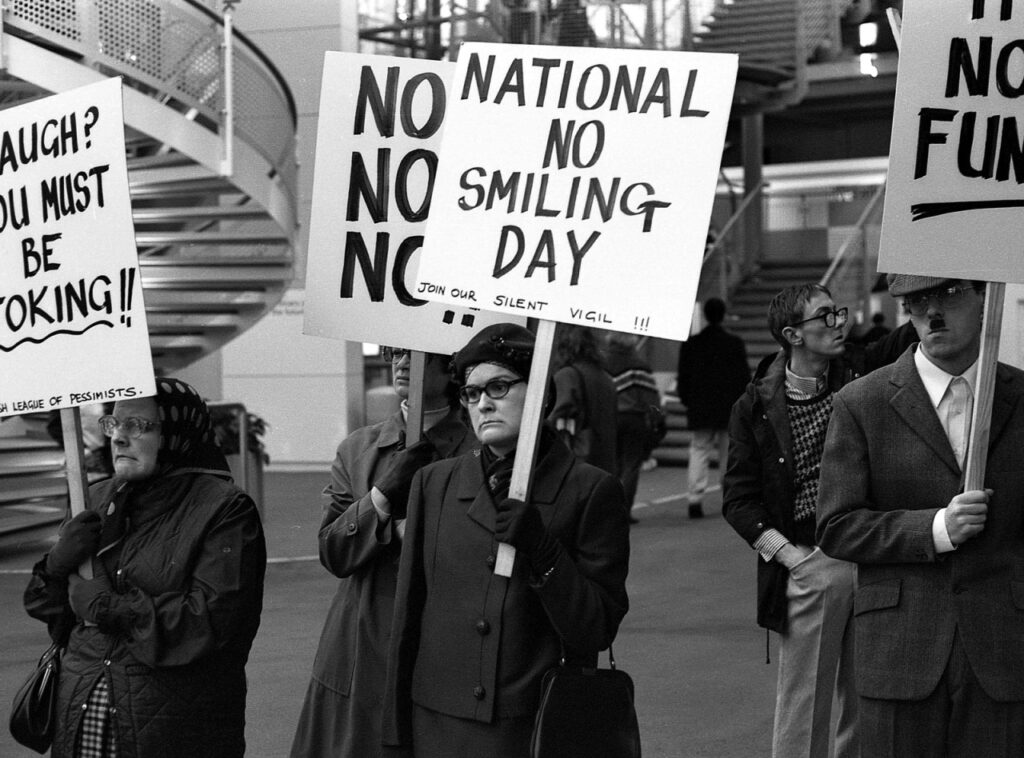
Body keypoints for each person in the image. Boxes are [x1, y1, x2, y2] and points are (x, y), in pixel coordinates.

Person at [383, 323, 630, 757]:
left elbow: (595, 628)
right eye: (472, 393)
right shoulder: (433, 483)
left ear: (539, 394)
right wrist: (395, 733)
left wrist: (543, 549)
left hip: (533, 726)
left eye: (498, 387)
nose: (483, 403)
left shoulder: (590, 489)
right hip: (438, 723)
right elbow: (408, 617)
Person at [817, 275, 1024, 757]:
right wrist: (935, 529)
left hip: (1004, 648)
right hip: (899, 650)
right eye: (916, 302)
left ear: (984, 298)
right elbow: (836, 526)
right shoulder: (861, 403)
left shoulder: (1020, 395)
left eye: (948, 295)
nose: (932, 313)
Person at [23, 378, 266, 758]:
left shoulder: (223, 510)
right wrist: (56, 565)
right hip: (82, 721)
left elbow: (212, 623)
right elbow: (51, 612)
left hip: (172, 730)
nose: (119, 437)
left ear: (175, 433)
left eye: (137, 425)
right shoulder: (95, 499)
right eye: (114, 424)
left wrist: (108, 607)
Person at [290, 347, 474, 758]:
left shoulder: (479, 449)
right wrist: (381, 499)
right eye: (394, 352)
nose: (402, 361)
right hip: (359, 648)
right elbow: (334, 551)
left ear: (451, 368)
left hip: (444, 647)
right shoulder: (358, 448)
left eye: (416, 353)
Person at [722, 284, 861, 758]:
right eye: (824, 316)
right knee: (805, 705)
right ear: (792, 335)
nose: (838, 322)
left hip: (871, 552)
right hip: (809, 563)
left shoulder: (861, 381)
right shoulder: (755, 406)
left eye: (837, 312)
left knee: (868, 702)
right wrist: (790, 557)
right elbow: (738, 501)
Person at [677, 297, 750, 518]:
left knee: (699, 449)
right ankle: (729, 497)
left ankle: (694, 498)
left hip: (701, 407)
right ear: (723, 315)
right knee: (727, 453)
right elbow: (743, 378)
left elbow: (684, 379)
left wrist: (688, 401)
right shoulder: (734, 343)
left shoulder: (691, 344)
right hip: (728, 407)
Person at [602, 330, 663, 522]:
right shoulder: (639, 366)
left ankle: (605, 509)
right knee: (630, 466)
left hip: (607, 419)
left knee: (610, 466)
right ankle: (622, 511)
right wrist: (658, 419)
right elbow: (651, 399)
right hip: (633, 419)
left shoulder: (601, 365)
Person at [547, 324, 619, 476]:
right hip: (605, 462)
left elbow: (554, 418)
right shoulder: (606, 377)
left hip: (578, 462)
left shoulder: (567, 375)